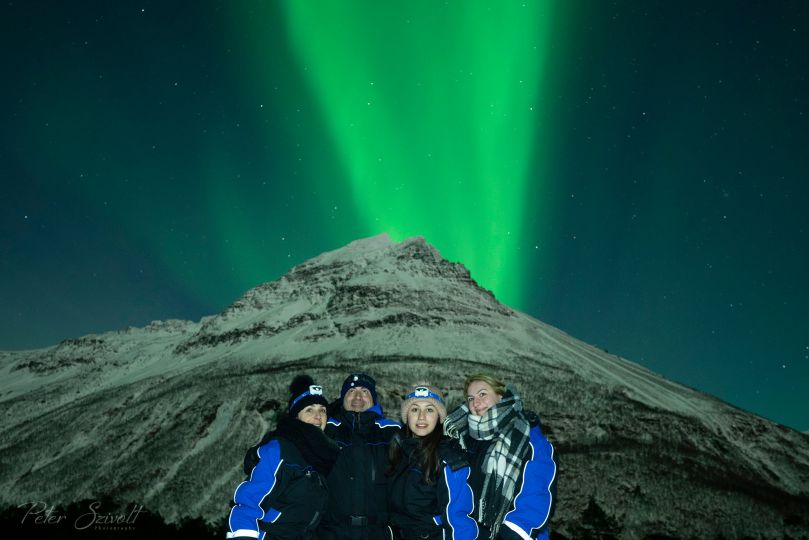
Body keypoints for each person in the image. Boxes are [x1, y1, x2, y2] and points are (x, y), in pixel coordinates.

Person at [443, 374, 557, 540]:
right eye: (470, 398)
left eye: (483, 394)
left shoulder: (528, 438)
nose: (476, 403)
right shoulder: (463, 438)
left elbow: (535, 500)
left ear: (500, 395)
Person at [227, 374, 339, 540]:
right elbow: (249, 500)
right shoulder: (279, 449)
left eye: (322, 410)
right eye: (309, 410)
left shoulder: (322, 457)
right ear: (296, 416)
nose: (318, 416)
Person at [388, 383, 478, 540]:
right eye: (415, 409)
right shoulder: (398, 450)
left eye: (429, 409)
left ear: (439, 416)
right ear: (406, 416)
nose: (421, 417)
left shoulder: (449, 457)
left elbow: (459, 518)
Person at [318, 372, 401, 540]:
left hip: (379, 533)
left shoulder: (391, 431)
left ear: (373, 399)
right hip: (331, 533)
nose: (357, 396)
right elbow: (293, 437)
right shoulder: (326, 430)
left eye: (364, 391)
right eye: (351, 391)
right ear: (343, 398)